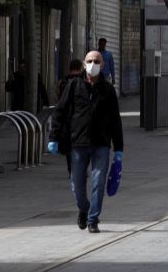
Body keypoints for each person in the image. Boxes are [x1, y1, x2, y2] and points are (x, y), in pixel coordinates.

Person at [48, 50, 123, 234]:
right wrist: (54, 137)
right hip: (78, 143)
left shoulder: (108, 90)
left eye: (96, 61)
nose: (93, 64)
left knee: (98, 182)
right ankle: (84, 208)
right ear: (83, 64)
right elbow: (60, 111)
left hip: (101, 144)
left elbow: (115, 120)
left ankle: (93, 219)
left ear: (102, 65)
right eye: (89, 61)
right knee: (77, 183)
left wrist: (119, 148)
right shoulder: (74, 86)